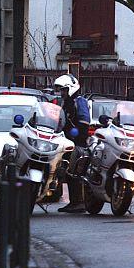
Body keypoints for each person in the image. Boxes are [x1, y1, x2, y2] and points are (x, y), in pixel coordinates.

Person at [54, 74, 91, 213]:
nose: (61, 93)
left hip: (77, 142)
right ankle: (74, 201)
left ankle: (78, 202)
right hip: (67, 140)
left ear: (70, 88)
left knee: (74, 170)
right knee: (68, 169)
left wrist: (79, 135)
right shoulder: (67, 102)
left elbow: (84, 120)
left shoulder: (79, 101)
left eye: (63, 90)